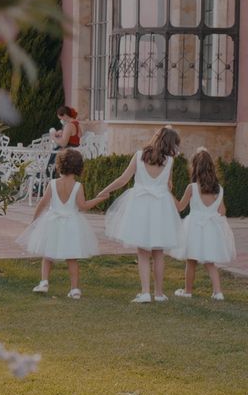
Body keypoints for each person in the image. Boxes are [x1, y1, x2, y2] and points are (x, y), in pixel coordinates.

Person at [97, 126, 182, 303]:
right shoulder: (170, 161)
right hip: (160, 208)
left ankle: (145, 292)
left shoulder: (139, 155)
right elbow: (168, 186)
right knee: (158, 252)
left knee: (143, 252)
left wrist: (105, 190)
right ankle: (159, 293)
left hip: (140, 206)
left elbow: (123, 179)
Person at [17, 149, 107, 299]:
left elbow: (43, 203)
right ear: (78, 167)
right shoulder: (78, 186)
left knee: (47, 254)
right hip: (72, 224)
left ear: (59, 165)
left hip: (52, 222)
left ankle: (44, 281)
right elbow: (83, 206)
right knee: (72, 257)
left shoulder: (52, 184)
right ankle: (75, 289)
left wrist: (34, 220)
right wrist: (100, 198)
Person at [172, 148, 236, 300]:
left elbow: (180, 207)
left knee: (191, 260)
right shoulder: (219, 189)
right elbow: (222, 211)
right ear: (211, 168)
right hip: (211, 229)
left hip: (194, 228)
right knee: (210, 262)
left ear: (195, 167)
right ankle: (218, 292)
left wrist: (169, 194)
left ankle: (188, 292)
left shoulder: (192, 188)